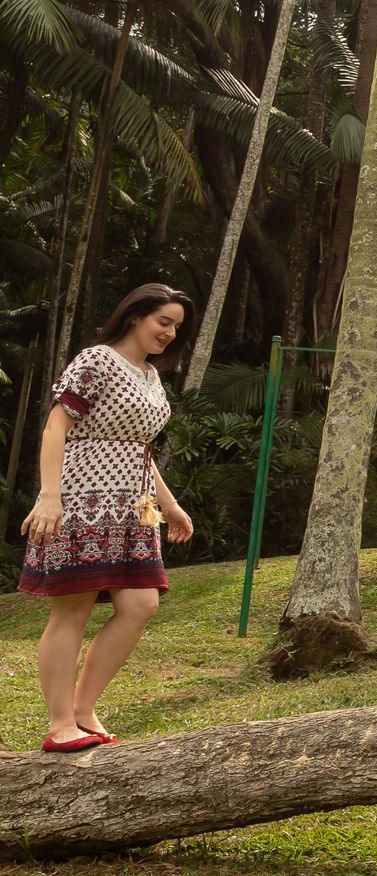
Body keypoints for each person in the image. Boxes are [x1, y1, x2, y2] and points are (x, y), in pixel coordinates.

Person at [18, 285, 197, 751]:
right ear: (135, 316)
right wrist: (50, 496)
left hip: (134, 510)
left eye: (176, 326)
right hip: (80, 500)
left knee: (141, 605)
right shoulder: (96, 360)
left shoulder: (151, 375)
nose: (169, 332)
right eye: (163, 321)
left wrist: (170, 505)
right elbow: (56, 427)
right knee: (71, 612)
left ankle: (84, 709)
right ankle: (61, 725)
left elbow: (140, 448)